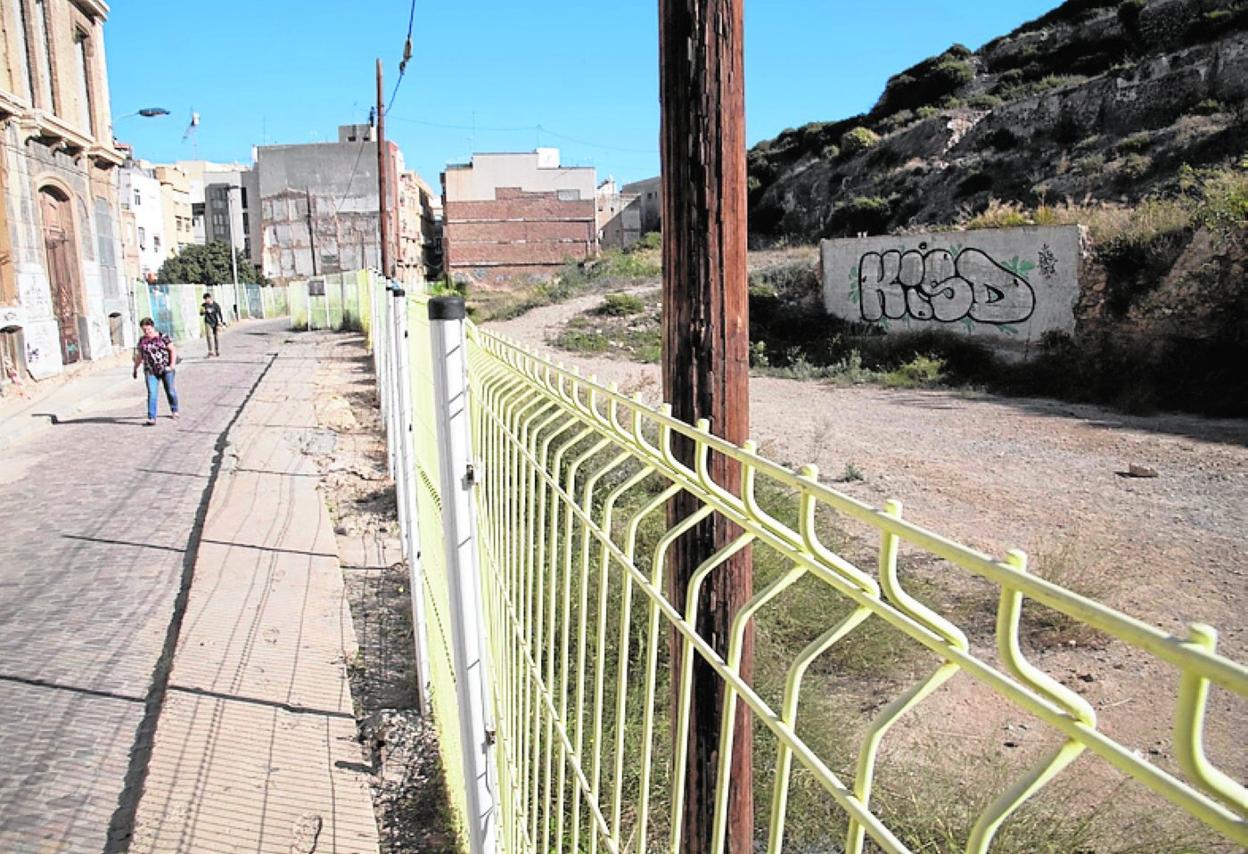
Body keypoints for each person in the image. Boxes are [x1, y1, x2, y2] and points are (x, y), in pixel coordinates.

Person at [133, 318, 179, 426]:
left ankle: (174, 409)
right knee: (152, 393)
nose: (146, 332)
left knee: (170, 390)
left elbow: (172, 350)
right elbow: (139, 356)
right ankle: (151, 417)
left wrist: (172, 365)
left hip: (166, 368)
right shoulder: (142, 341)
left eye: (148, 329)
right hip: (150, 371)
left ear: (152, 327)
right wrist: (135, 368)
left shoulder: (163, 337)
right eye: (144, 330)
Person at [201, 292, 225, 357]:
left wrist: (221, 322)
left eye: (207, 299)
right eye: (205, 299)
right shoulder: (203, 305)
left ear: (210, 298)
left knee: (216, 336)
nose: (206, 300)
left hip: (215, 322)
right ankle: (210, 351)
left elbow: (219, 314)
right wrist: (204, 311)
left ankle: (217, 350)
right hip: (208, 322)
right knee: (209, 336)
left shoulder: (216, 305)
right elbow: (201, 313)